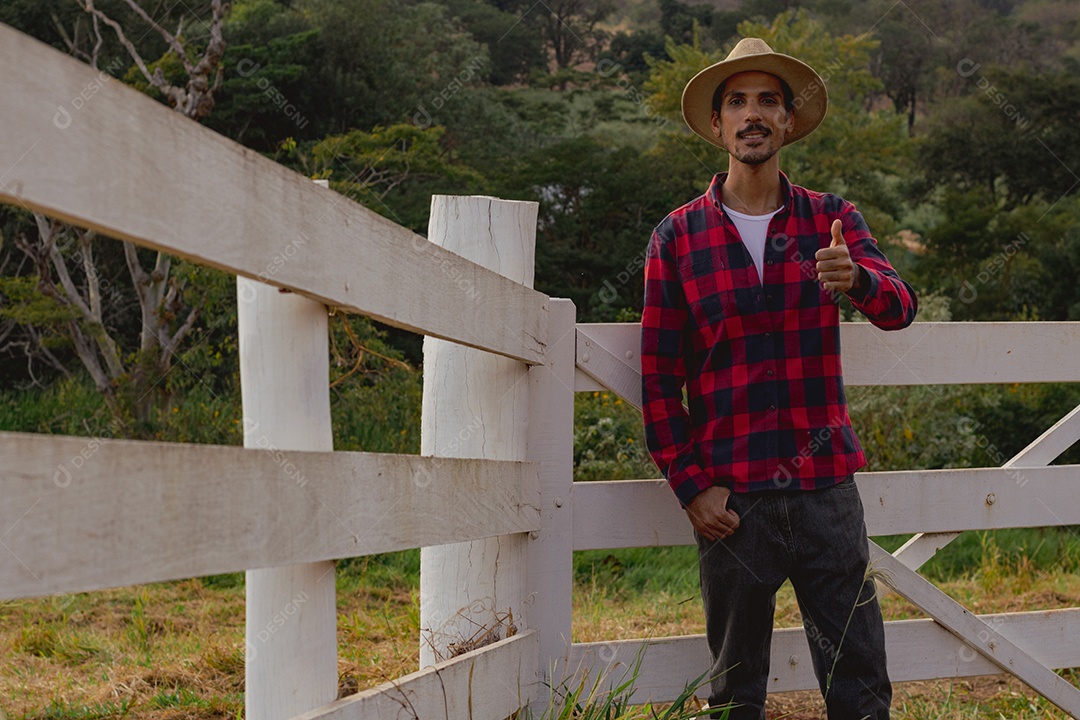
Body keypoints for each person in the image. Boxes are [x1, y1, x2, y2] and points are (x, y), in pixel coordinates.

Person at [640, 38, 917, 719]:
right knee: (736, 693)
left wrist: (857, 280)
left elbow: (901, 307)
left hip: (827, 493)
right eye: (737, 102)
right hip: (734, 504)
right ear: (717, 126)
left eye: (768, 100)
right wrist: (690, 485)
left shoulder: (833, 220)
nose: (753, 114)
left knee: (859, 680)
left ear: (789, 122)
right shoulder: (676, 238)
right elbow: (656, 378)